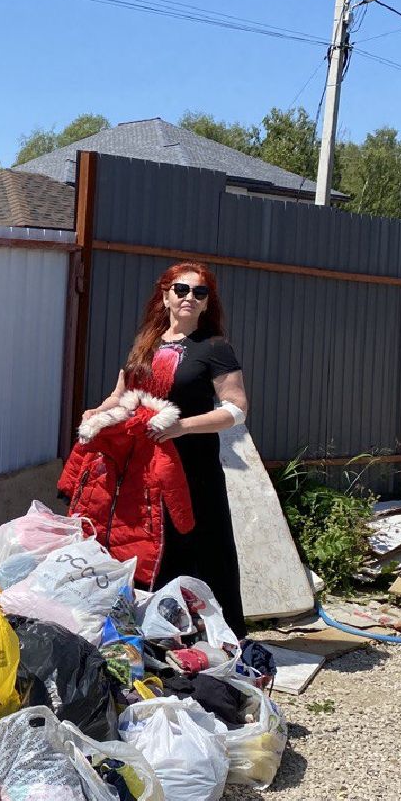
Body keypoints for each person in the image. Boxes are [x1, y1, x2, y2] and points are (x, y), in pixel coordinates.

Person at [84, 262, 249, 638]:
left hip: (193, 470)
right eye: (181, 289)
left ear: (207, 303)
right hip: (141, 468)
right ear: (165, 296)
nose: (189, 297)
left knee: (197, 547)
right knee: (143, 544)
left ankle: (210, 635)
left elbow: (236, 410)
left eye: (199, 292)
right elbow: (121, 396)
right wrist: (98, 413)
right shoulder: (146, 343)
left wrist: (181, 427)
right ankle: (152, 631)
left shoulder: (215, 348)